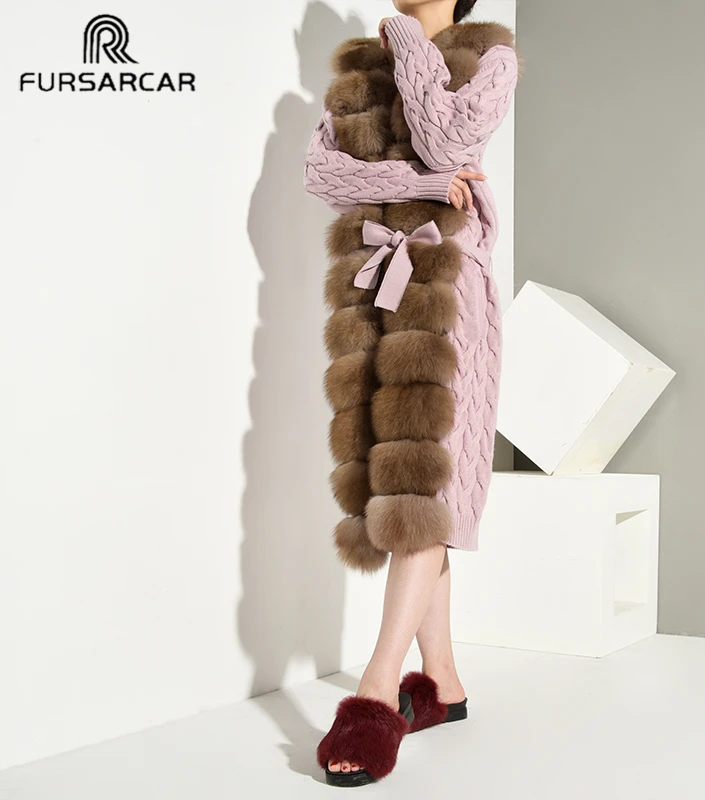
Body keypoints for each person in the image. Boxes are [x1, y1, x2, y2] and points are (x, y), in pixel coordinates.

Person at [303, 0, 519, 786]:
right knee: (398, 490)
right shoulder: (360, 68)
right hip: (372, 297)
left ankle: (375, 693)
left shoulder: (493, 58)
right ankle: (444, 685)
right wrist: (421, 183)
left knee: (424, 489)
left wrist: (405, 38)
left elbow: (447, 139)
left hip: (446, 296)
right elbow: (322, 173)